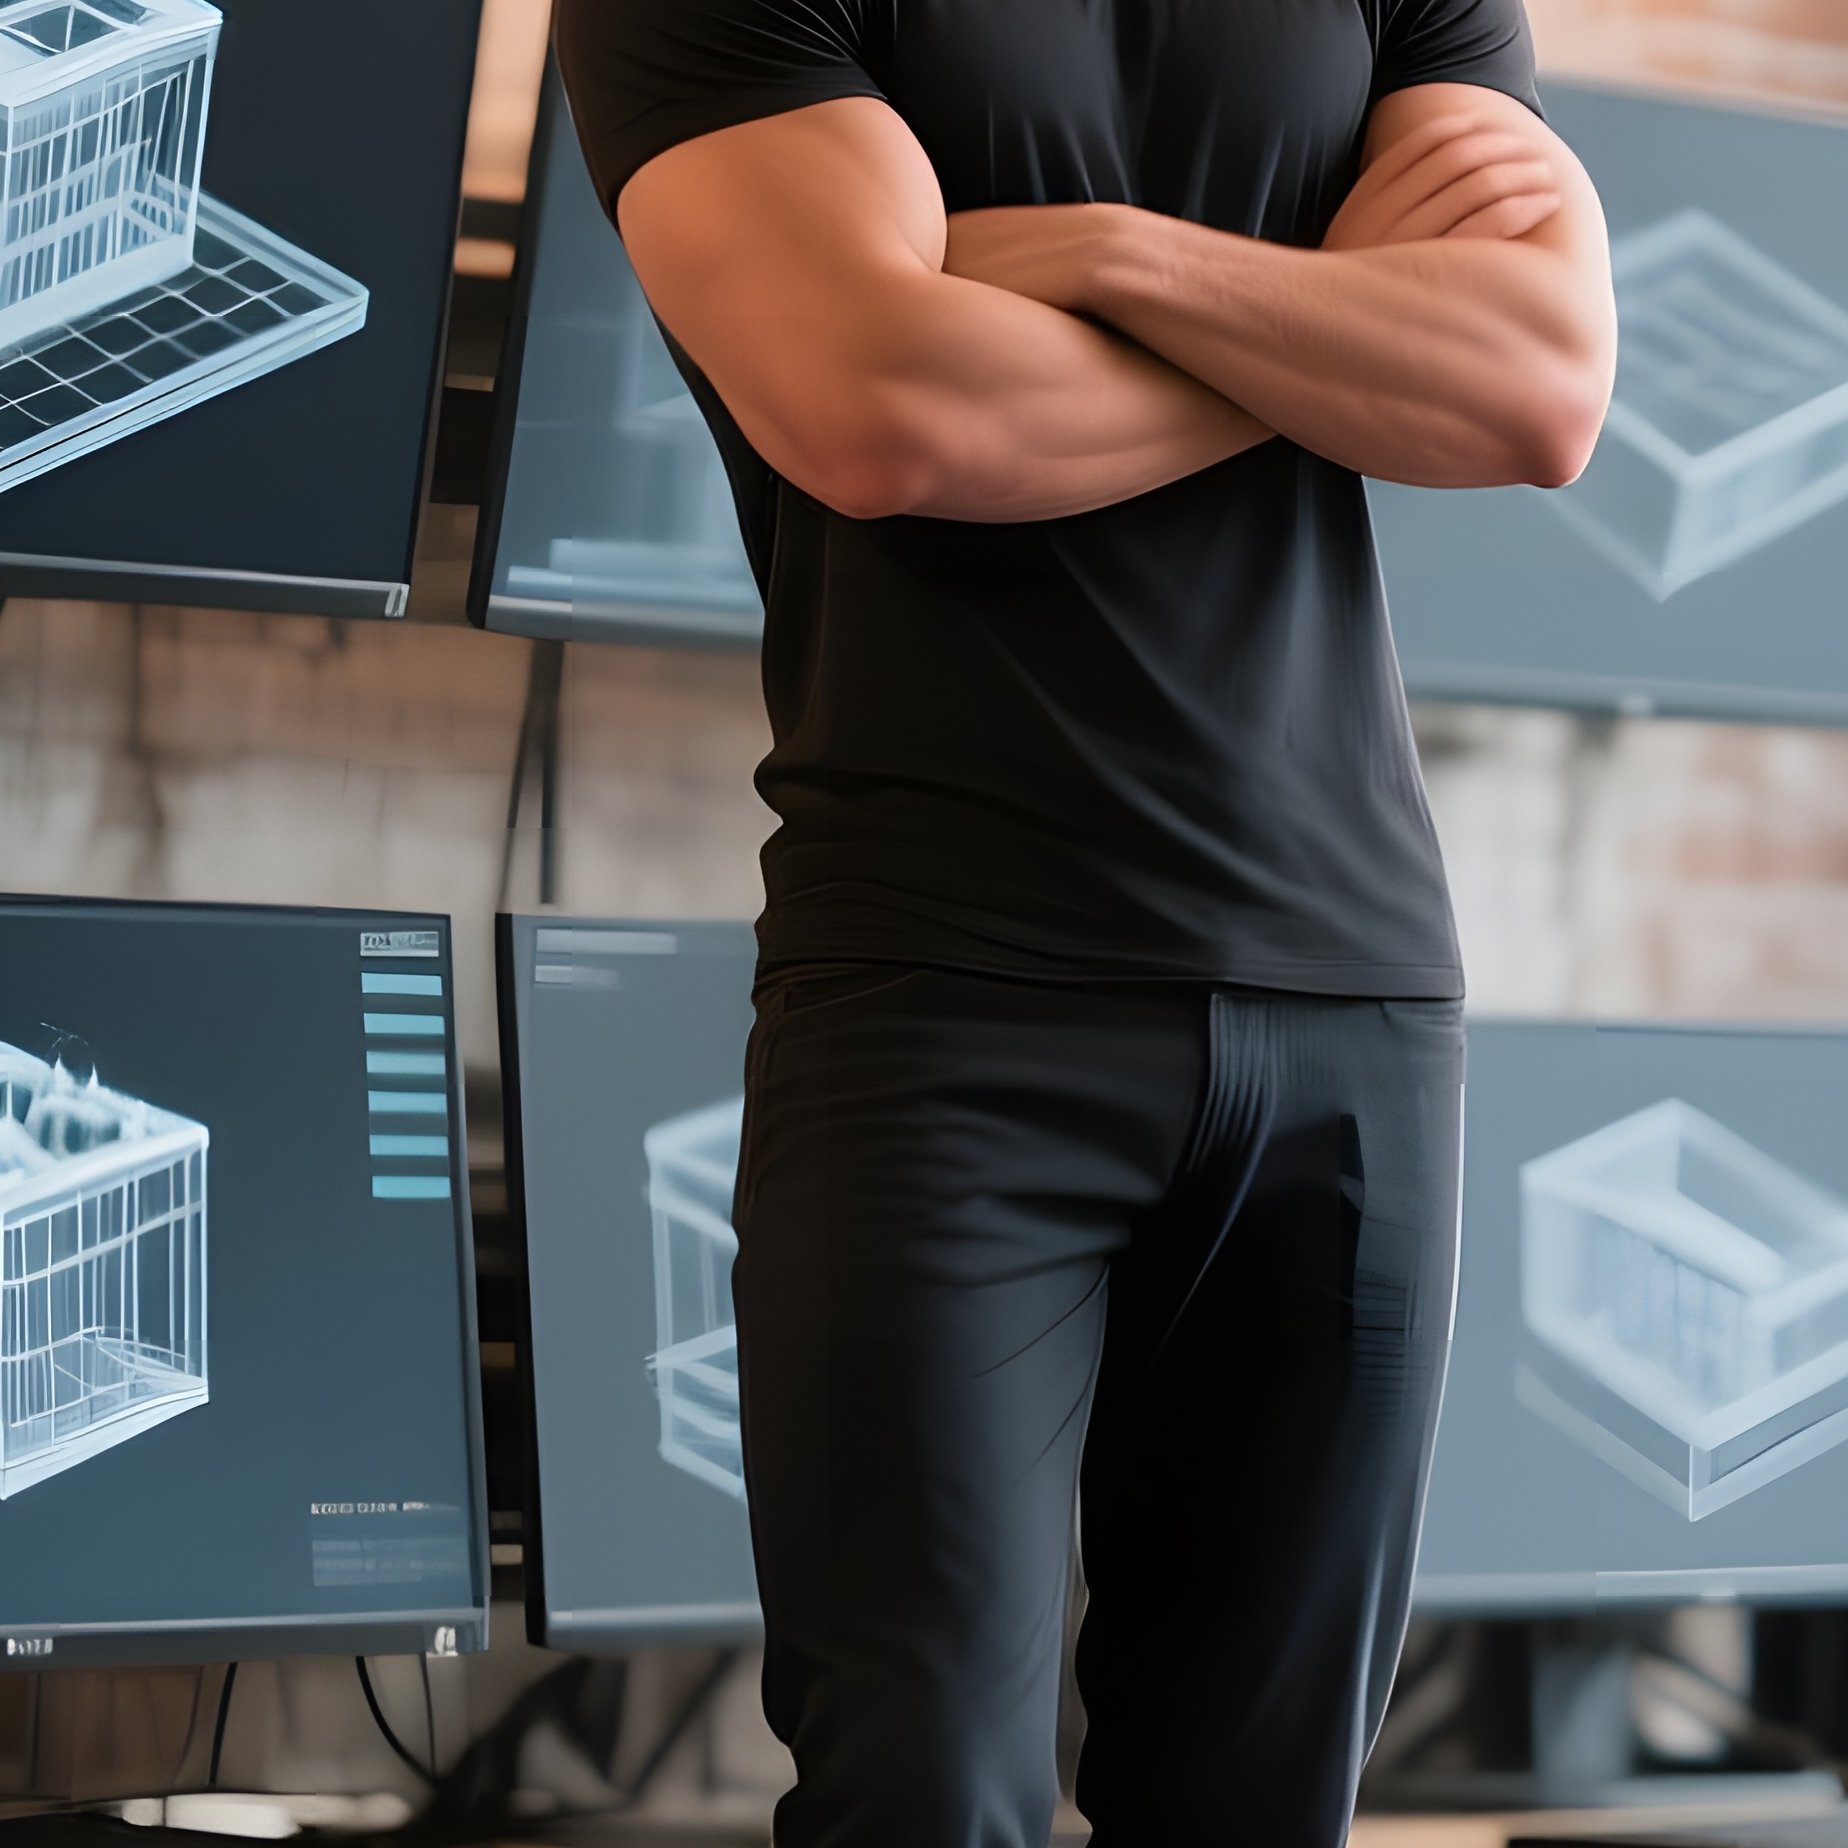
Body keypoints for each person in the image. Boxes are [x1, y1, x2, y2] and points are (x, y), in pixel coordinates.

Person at [553, 2, 1616, 1841]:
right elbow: (888, 407)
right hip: (945, 1006)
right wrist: (1321, 315)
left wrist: (1107, 257)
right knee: (923, 1795)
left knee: (1261, 1806)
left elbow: (1535, 386)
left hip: (1350, 994)